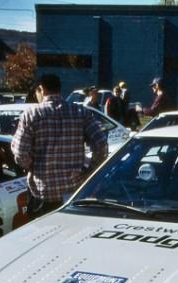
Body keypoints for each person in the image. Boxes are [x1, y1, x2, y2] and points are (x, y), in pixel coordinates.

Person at [11, 74, 108, 219]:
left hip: (42, 192)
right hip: (74, 191)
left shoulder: (31, 115)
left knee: (41, 238)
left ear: (41, 89)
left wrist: (31, 166)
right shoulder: (81, 112)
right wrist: (90, 171)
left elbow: (20, 153)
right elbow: (101, 145)